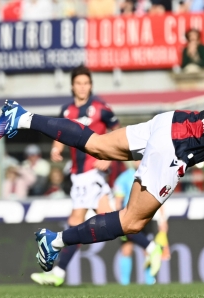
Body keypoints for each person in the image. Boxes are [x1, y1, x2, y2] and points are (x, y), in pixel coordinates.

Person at [0, 58, 204, 273]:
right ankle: (55, 241)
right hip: (177, 146)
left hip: (171, 122)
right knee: (132, 221)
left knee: (99, 145)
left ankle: (22, 116)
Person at [30, 66, 148, 286]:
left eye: (86, 83)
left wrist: (109, 157)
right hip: (78, 175)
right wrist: (56, 148)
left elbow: (118, 133)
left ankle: (59, 273)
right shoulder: (66, 111)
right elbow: (60, 132)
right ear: (72, 86)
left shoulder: (101, 108)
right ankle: (151, 247)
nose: (82, 87)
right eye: (78, 83)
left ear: (90, 85)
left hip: (93, 173)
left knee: (75, 221)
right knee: (112, 220)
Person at [115, 160, 168, 285]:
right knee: (127, 249)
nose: (137, 161)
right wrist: (118, 222)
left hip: (145, 218)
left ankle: (149, 281)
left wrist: (163, 219)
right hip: (127, 219)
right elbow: (118, 201)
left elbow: (159, 199)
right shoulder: (123, 178)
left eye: (140, 158)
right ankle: (125, 283)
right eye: (135, 159)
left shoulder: (152, 176)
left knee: (147, 250)